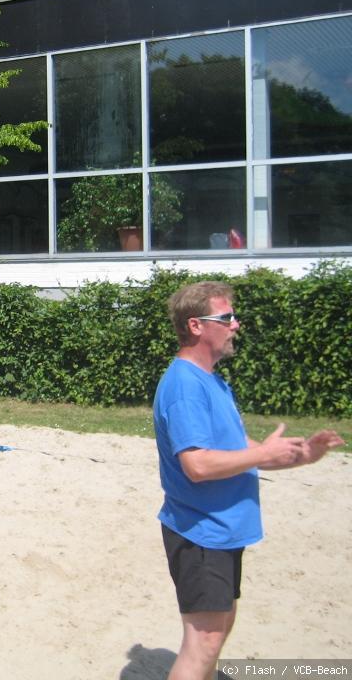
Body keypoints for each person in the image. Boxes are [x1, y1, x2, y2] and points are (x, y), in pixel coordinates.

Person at [153, 281, 344, 680]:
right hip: (200, 532)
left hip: (222, 531)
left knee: (218, 632)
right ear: (196, 325)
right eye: (226, 317)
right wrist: (262, 455)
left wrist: (298, 455)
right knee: (203, 642)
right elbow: (197, 465)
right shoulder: (185, 386)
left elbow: (237, 448)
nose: (236, 324)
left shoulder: (212, 380)